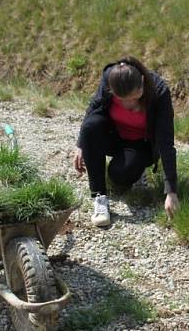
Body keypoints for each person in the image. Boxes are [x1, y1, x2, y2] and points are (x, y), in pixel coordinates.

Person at [74, 56, 178, 227]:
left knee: (119, 176)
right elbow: (93, 108)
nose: (129, 104)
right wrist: (81, 145)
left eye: (134, 97)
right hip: (114, 135)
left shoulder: (159, 93)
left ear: (142, 82)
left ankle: (137, 171)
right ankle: (99, 197)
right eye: (123, 99)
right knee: (90, 126)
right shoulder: (110, 77)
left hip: (141, 144)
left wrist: (171, 191)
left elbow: (165, 143)